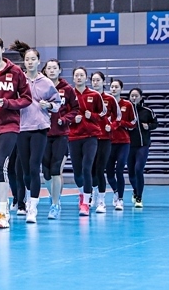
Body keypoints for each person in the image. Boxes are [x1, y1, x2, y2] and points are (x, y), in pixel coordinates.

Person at [0, 37, 32, 229]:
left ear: (2, 50)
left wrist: (10, 103)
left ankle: (2, 211)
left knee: (1, 165)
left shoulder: (15, 71)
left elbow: (27, 98)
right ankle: (4, 199)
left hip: (10, 126)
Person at [9, 41, 61, 224]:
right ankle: (24, 200)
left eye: (33, 59)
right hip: (22, 128)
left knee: (34, 167)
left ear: (39, 62)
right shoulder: (19, 80)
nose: (30, 62)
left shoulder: (46, 82)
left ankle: (33, 207)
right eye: (27, 59)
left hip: (40, 128)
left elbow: (57, 103)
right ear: (24, 62)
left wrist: (50, 105)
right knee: (25, 170)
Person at [41, 59, 79, 219]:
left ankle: (55, 204)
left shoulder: (67, 89)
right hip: (43, 133)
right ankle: (53, 196)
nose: (51, 70)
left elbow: (76, 109)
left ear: (59, 70)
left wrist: (64, 119)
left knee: (56, 169)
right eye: (49, 68)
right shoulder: (40, 86)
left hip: (60, 134)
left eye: (54, 68)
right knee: (46, 172)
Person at [68, 67, 106, 217]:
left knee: (87, 168)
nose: (79, 77)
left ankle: (86, 203)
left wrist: (93, 116)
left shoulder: (94, 95)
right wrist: (72, 120)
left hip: (91, 136)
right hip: (73, 137)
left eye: (81, 75)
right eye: (76, 75)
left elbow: (103, 114)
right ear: (73, 78)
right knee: (77, 172)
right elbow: (62, 113)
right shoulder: (69, 94)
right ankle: (81, 193)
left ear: (86, 78)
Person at [90, 71, 121, 213]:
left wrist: (112, 126)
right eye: (93, 80)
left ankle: (101, 201)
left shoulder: (110, 99)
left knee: (99, 169)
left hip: (104, 139)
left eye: (98, 80)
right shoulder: (88, 96)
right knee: (90, 170)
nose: (95, 82)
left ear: (103, 82)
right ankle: (94, 193)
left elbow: (118, 117)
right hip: (90, 138)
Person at [106, 79, 136, 211]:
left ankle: (120, 199)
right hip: (109, 142)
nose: (113, 89)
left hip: (123, 142)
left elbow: (133, 123)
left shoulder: (127, 105)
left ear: (121, 89)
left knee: (119, 170)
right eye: (112, 87)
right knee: (109, 173)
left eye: (116, 87)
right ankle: (116, 191)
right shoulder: (106, 102)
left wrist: (122, 123)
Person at [128, 88, 158, 208]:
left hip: (143, 145)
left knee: (138, 169)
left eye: (136, 96)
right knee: (131, 174)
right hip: (129, 146)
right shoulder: (126, 110)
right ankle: (135, 190)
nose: (134, 98)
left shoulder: (147, 111)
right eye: (132, 96)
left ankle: (139, 197)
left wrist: (149, 126)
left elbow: (155, 123)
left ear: (141, 97)